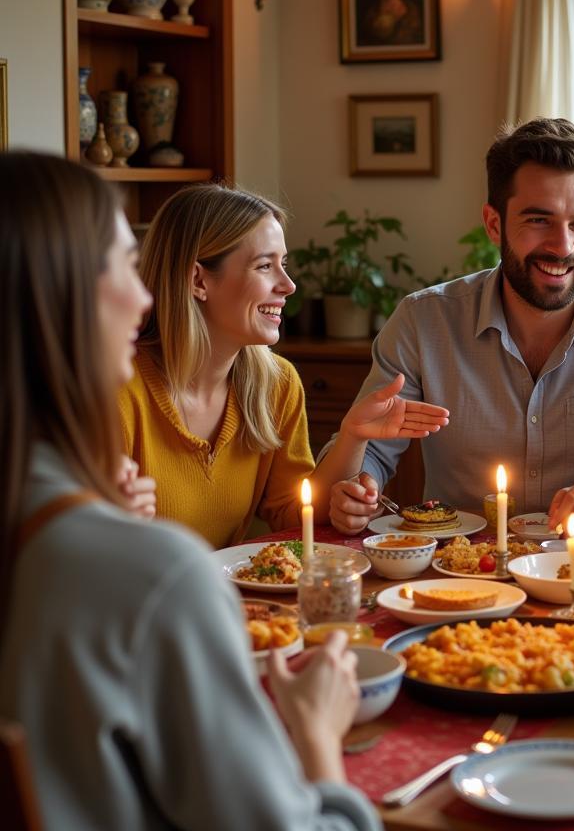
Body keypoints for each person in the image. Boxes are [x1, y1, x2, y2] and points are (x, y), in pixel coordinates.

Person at [0, 151, 381, 830]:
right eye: (123, 265)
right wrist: (319, 734)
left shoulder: (33, 523)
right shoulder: (153, 575)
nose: (144, 296)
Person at [322, 117, 574, 546]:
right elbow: (371, 452)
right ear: (494, 224)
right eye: (539, 220)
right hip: (460, 574)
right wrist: (357, 491)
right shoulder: (423, 321)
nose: (563, 247)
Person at [120, 183, 447, 548]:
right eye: (264, 266)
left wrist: (354, 436)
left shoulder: (276, 384)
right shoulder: (119, 389)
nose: (289, 285)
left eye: (284, 265)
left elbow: (294, 512)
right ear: (198, 280)